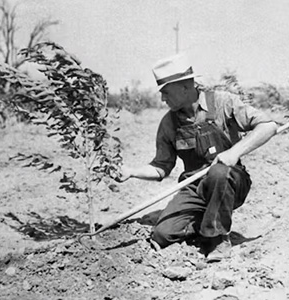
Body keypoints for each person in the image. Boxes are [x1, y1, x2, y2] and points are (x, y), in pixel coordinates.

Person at [118, 53, 278, 262]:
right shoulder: (169, 123)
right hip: (195, 187)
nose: (163, 98)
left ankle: (218, 238)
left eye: (166, 92)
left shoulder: (222, 102)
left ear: (185, 87)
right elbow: (161, 167)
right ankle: (207, 221)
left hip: (230, 180)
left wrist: (234, 152)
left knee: (219, 172)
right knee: (163, 234)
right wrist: (131, 172)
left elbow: (269, 126)